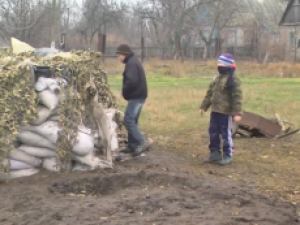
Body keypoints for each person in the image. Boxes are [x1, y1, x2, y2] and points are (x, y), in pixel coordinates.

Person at [199, 53, 243, 165]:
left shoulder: (233, 80)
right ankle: (214, 153)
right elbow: (209, 94)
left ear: (227, 65)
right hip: (215, 112)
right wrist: (204, 106)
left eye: (221, 63)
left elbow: (237, 97)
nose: (218, 65)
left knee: (226, 134)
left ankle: (228, 154)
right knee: (213, 132)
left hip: (225, 113)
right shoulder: (216, 79)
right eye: (218, 63)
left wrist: (237, 112)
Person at [116, 44, 150, 156]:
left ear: (124, 54)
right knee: (133, 120)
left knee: (128, 120)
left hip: (136, 96)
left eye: (119, 55)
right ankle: (132, 145)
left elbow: (131, 81)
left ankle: (141, 142)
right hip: (140, 95)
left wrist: (124, 90)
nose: (118, 57)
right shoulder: (133, 61)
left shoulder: (131, 64)